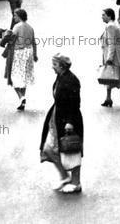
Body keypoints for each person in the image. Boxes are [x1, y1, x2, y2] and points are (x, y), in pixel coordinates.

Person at [40, 53, 83, 194]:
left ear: (62, 66)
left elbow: (75, 103)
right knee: (48, 148)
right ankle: (64, 177)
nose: (52, 67)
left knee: (71, 150)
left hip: (70, 120)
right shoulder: (60, 77)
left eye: (55, 65)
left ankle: (76, 183)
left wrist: (70, 122)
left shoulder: (71, 80)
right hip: (57, 117)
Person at [0, 8, 37, 110]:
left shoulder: (17, 26)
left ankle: (21, 97)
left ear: (19, 16)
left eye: (15, 16)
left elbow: (11, 38)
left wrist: (5, 36)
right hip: (28, 52)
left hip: (18, 53)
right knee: (24, 76)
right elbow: (34, 42)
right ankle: (23, 99)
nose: (14, 17)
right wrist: (35, 55)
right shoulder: (30, 27)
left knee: (13, 76)